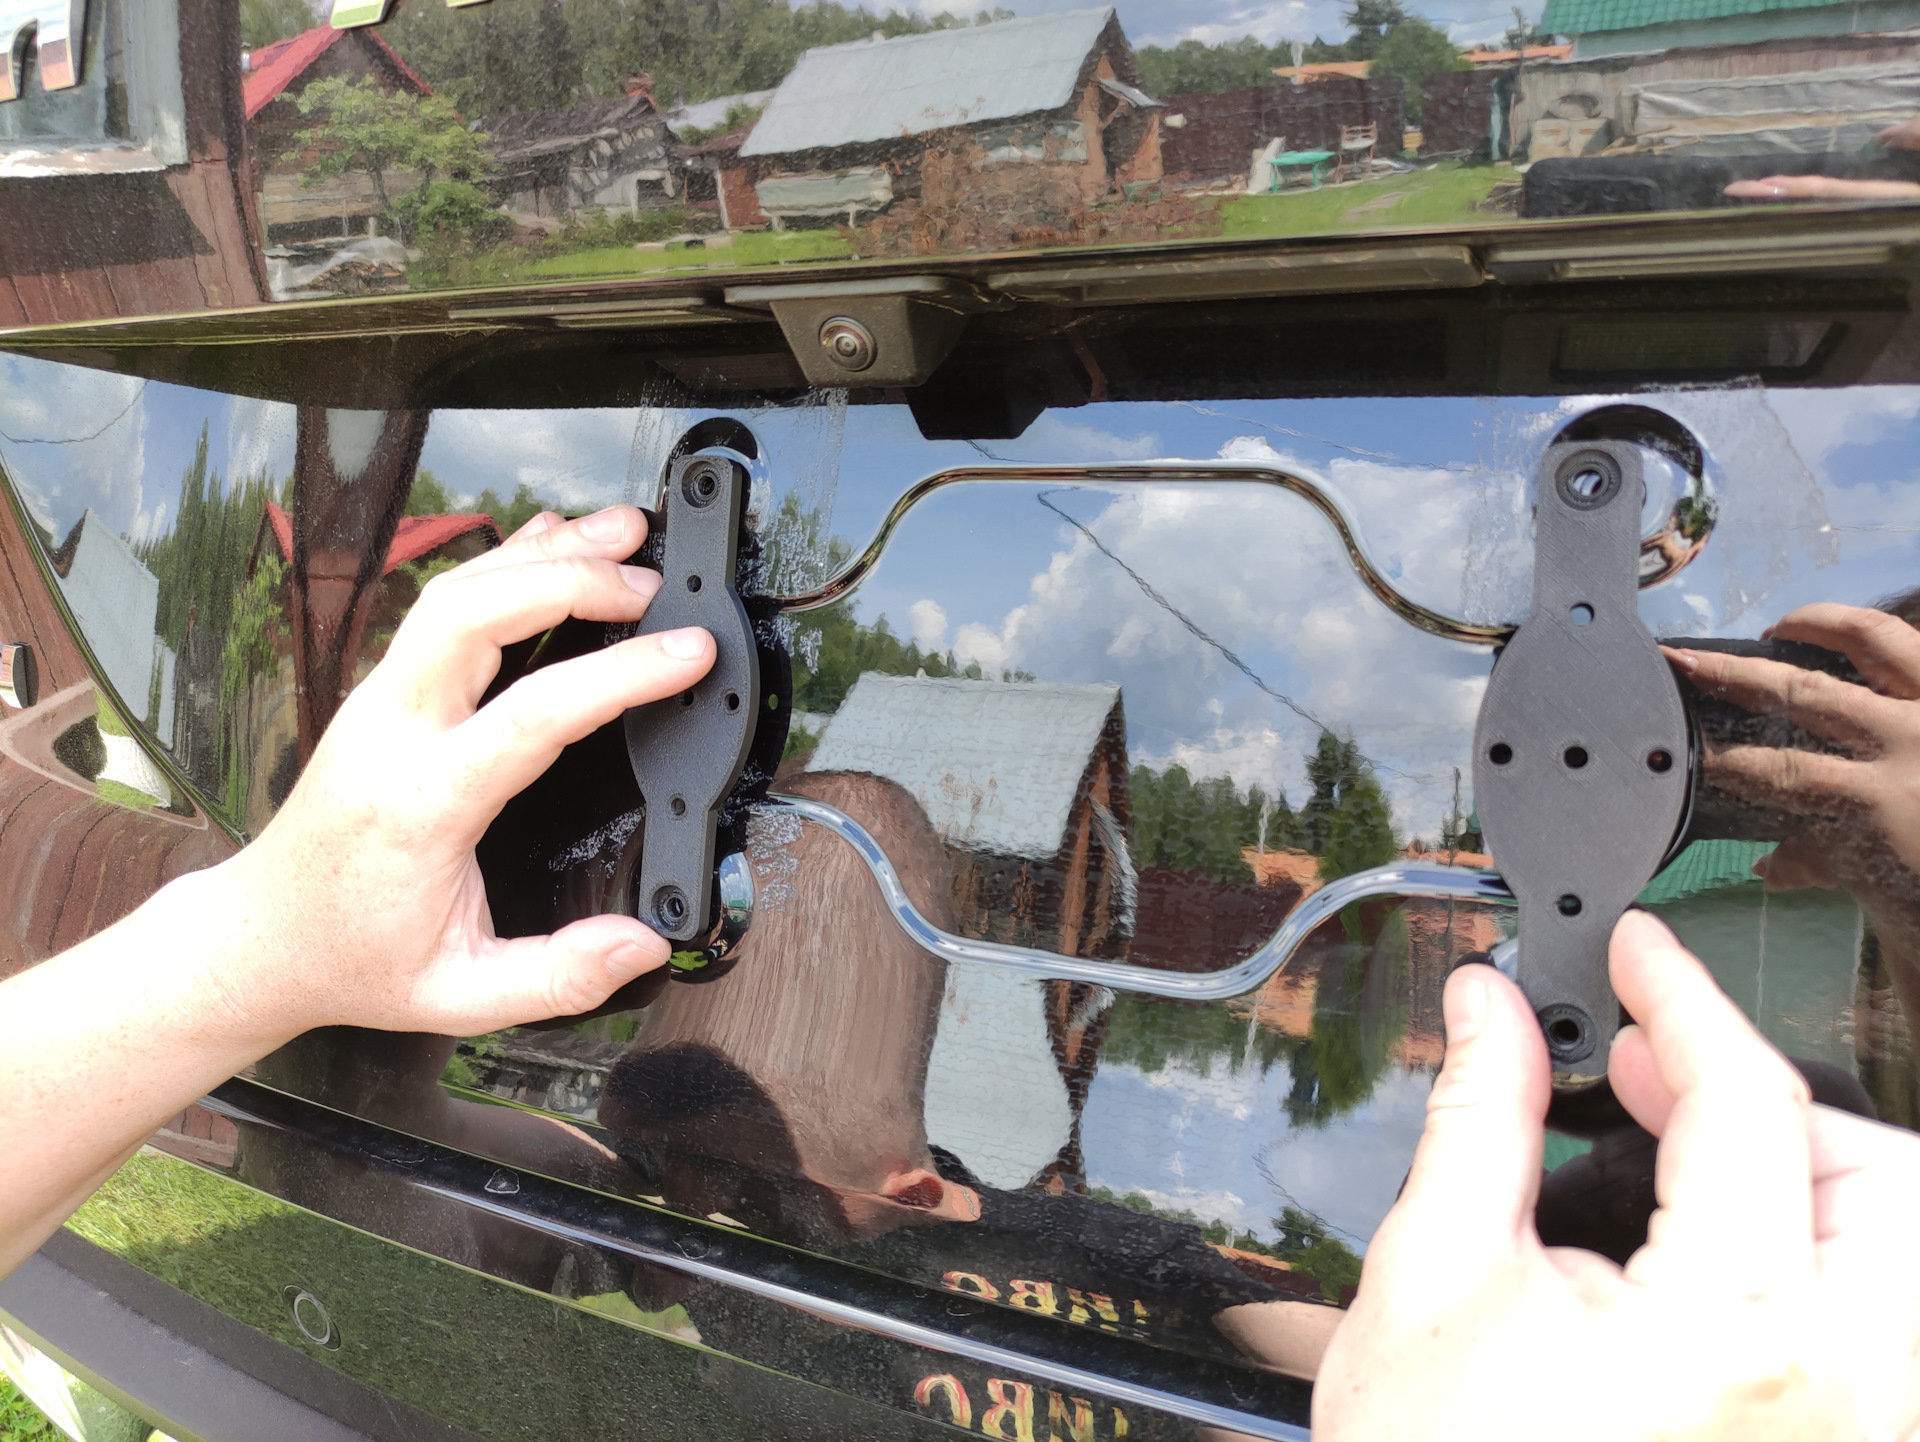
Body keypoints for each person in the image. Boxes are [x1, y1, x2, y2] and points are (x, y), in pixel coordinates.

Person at [5, 505, 1920, 1438]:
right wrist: (271, 962)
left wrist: (253, 955)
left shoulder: (1083, 1248)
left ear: (922, 1176)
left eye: (741, 1179)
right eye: (720, 1186)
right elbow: (531, 1183)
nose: (731, 1202)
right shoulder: (703, 1252)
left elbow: (1325, 1334)